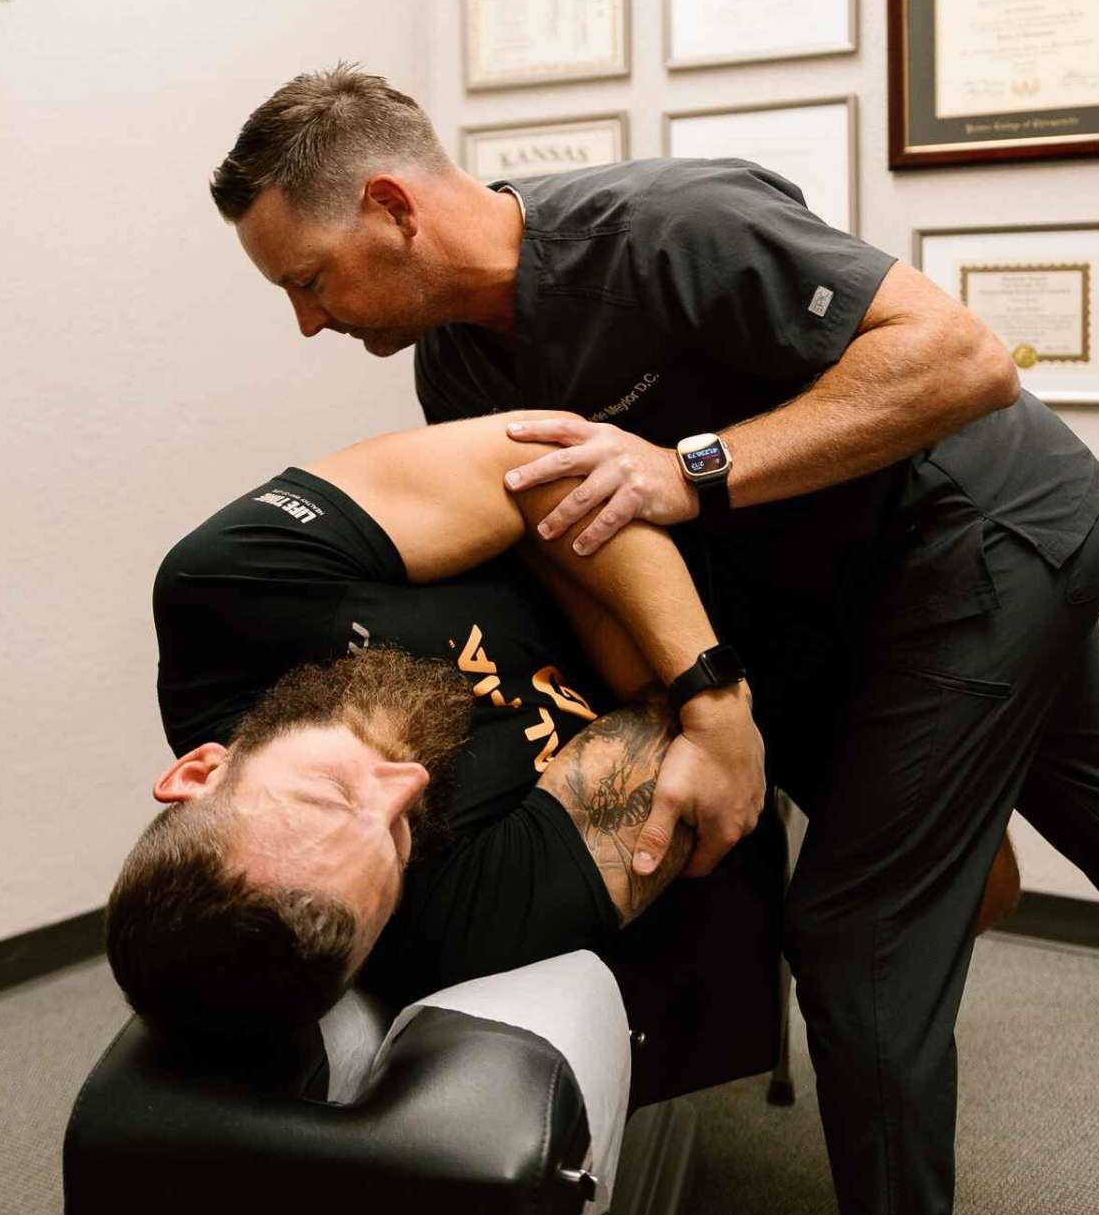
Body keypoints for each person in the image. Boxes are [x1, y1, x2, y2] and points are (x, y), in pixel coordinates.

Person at [210, 65, 1099, 1215]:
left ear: (390, 204)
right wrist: (690, 706)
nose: (310, 322)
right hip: (835, 607)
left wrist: (692, 466)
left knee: (855, 939)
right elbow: (580, 547)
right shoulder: (458, 373)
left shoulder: (667, 226)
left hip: (981, 531)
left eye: (309, 280)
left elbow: (961, 359)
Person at [106, 408, 1016, 1062]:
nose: (406, 792)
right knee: (978, 890)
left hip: (760, 480)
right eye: (393, 842)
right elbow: (698, 772)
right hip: (808, 641)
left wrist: (686, 689)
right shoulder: (448, 926)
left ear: (198, 770)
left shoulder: (226, 593)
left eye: (334, 793)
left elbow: (551, 456)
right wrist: (571, 566)